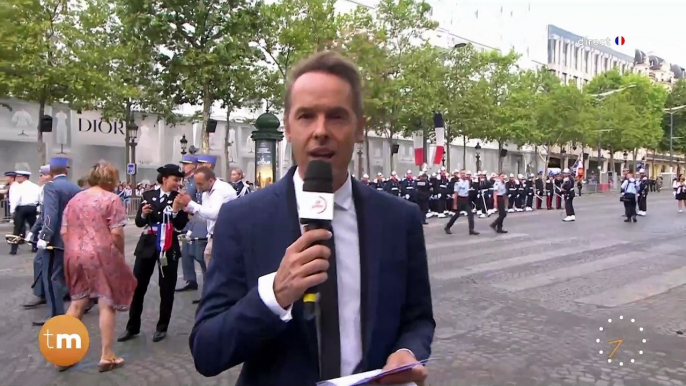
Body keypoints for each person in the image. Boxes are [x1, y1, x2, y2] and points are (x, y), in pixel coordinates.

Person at [190, 51, 434, 385]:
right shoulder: (242, 219)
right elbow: (206, 350)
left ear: (360, 129)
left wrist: (407, 349)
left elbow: (418, 318)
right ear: (288, 127)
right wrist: (273, 295)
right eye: (306, 116)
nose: (320, 131)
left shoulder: (399, 219)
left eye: (336, 116)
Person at [61, 161, 137, 372]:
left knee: (76, 304)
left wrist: (74, 248)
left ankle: (62, 354)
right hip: (102, 254)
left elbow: (64, 231)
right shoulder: (112, 199)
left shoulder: (75, 200)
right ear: (111, 180)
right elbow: (116, 233)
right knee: (107, 302)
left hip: (74, 253)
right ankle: (107, 355)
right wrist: (119, 255)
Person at [118, 164, 189, 343]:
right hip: (148, 245)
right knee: (138, 286)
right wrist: (142, 213)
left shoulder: (179, 199)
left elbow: (181, 225)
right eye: (175, 180)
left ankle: (162, 327)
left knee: (167, 288)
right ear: (164, 179)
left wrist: (176, 210)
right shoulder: (148, 195)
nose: (177, 183)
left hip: (169, 246)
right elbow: (141, 222)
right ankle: (132, 327)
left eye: (179, 180)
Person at [33, 157, 81, 326]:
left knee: (51, 277)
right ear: (66, 171)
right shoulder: (76, 188)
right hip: (72, 239)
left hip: (55, 241)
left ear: (51, 172)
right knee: (64, 276)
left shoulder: (51, 187)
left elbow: (50, 215)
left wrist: (44, 236)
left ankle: (56, 315)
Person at [175, 166, 237, 267]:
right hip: (214, 236)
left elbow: (215, 214)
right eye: (197, 184)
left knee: (220, 269)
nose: (198, 187)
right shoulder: (205, 193)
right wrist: (189, 210)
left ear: (211, 180)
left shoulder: (223, 190)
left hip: (227, 236)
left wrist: (191, 203)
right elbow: (206, 218)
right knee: (209, 263)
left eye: (200, 183)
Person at [176, 154, 206, 295]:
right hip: (190, 221)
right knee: (186, 251)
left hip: (197, 219)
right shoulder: (188, 180)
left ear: (193, 166)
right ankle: (190, 280)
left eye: (186, 164)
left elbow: (189, 198)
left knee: (199, 253)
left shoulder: (195, 180)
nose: (183, 166)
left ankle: (207, 283)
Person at [23, 165, 51, 309]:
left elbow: (49, 216)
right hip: (54, 233)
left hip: (52, 235)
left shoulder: (50, 190)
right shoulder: (45, 190)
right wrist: (33, 231)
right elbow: (42, 215)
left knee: (40, 262)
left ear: (49, 176)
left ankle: (43, 295)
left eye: (42, 175)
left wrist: (43, 235)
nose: (40, 178)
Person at [8, 170, 40, 256]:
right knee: (34, 228)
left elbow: (15, 199)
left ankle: (13, 249)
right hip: (32, 207)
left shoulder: (18, 187)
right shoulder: (36, 186)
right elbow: (39, 198)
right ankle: (35, 246)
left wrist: (12, 211)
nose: (17, 178)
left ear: (24, 177)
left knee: (17, 229)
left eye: (19, 177)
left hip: (21, 208)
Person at [444, 170, 478, 235]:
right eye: (462, 173)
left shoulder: (468, 182)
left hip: (466, 199)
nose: (463, 175)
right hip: (460, 199)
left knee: (470, 214)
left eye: (464, 173)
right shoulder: (458, 183)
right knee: (456, 215)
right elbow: (456, 193)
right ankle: (447, 227)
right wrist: (455, 204)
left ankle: (471, 229)